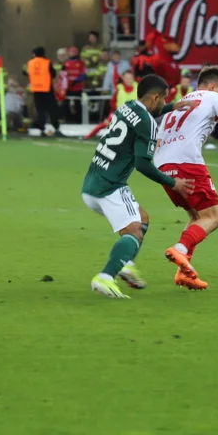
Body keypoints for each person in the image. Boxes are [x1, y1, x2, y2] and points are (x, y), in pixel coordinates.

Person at [81, 74, 194, 298]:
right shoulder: (149, 126)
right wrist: (173, 183)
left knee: (142, 219)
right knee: (134, 231)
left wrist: (172, 106)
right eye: (163, 99)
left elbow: (146, 114)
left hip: (92, 182)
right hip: (110, 186)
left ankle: (126, 265)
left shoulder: (127, 106)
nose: (164, 102)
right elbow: (143, 164)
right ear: (154, 97)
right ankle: (105, 277)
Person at [156, 65, 218, 290]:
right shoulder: (213, 97)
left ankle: (184, 273)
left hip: (163, 166)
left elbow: (158, 138)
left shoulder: (179, 104)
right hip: (187, 162)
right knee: (213, 217)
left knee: (196, 216)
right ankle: (180, 249)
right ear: (213, 86)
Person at [25, 47, 59, 136]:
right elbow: (53, 74)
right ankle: (55, 127)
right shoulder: (47, 62)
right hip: (47, 89)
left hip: (36, 89)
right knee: (52, 109)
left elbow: (25, 72)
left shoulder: (30, 63)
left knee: (40, 110)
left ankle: (42, 128)